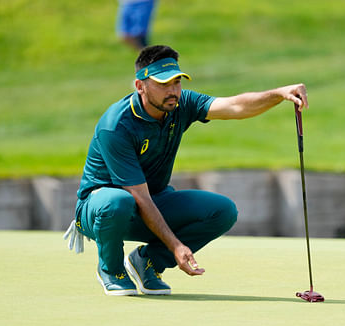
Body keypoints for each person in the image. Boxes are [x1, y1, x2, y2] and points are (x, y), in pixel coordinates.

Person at [64, 45, 309, 296]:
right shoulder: (116, 125)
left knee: (222, 211)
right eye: (163, 84)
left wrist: (279, 94)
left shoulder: (181, 104)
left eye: (177, 82)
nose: (172, 91)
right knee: (118, 201)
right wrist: (176, 246)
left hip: (150, 200)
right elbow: (138, 196)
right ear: (140, 86)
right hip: (100, 210)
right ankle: (111, 268)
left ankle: (148, 262)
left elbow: (235, 107)